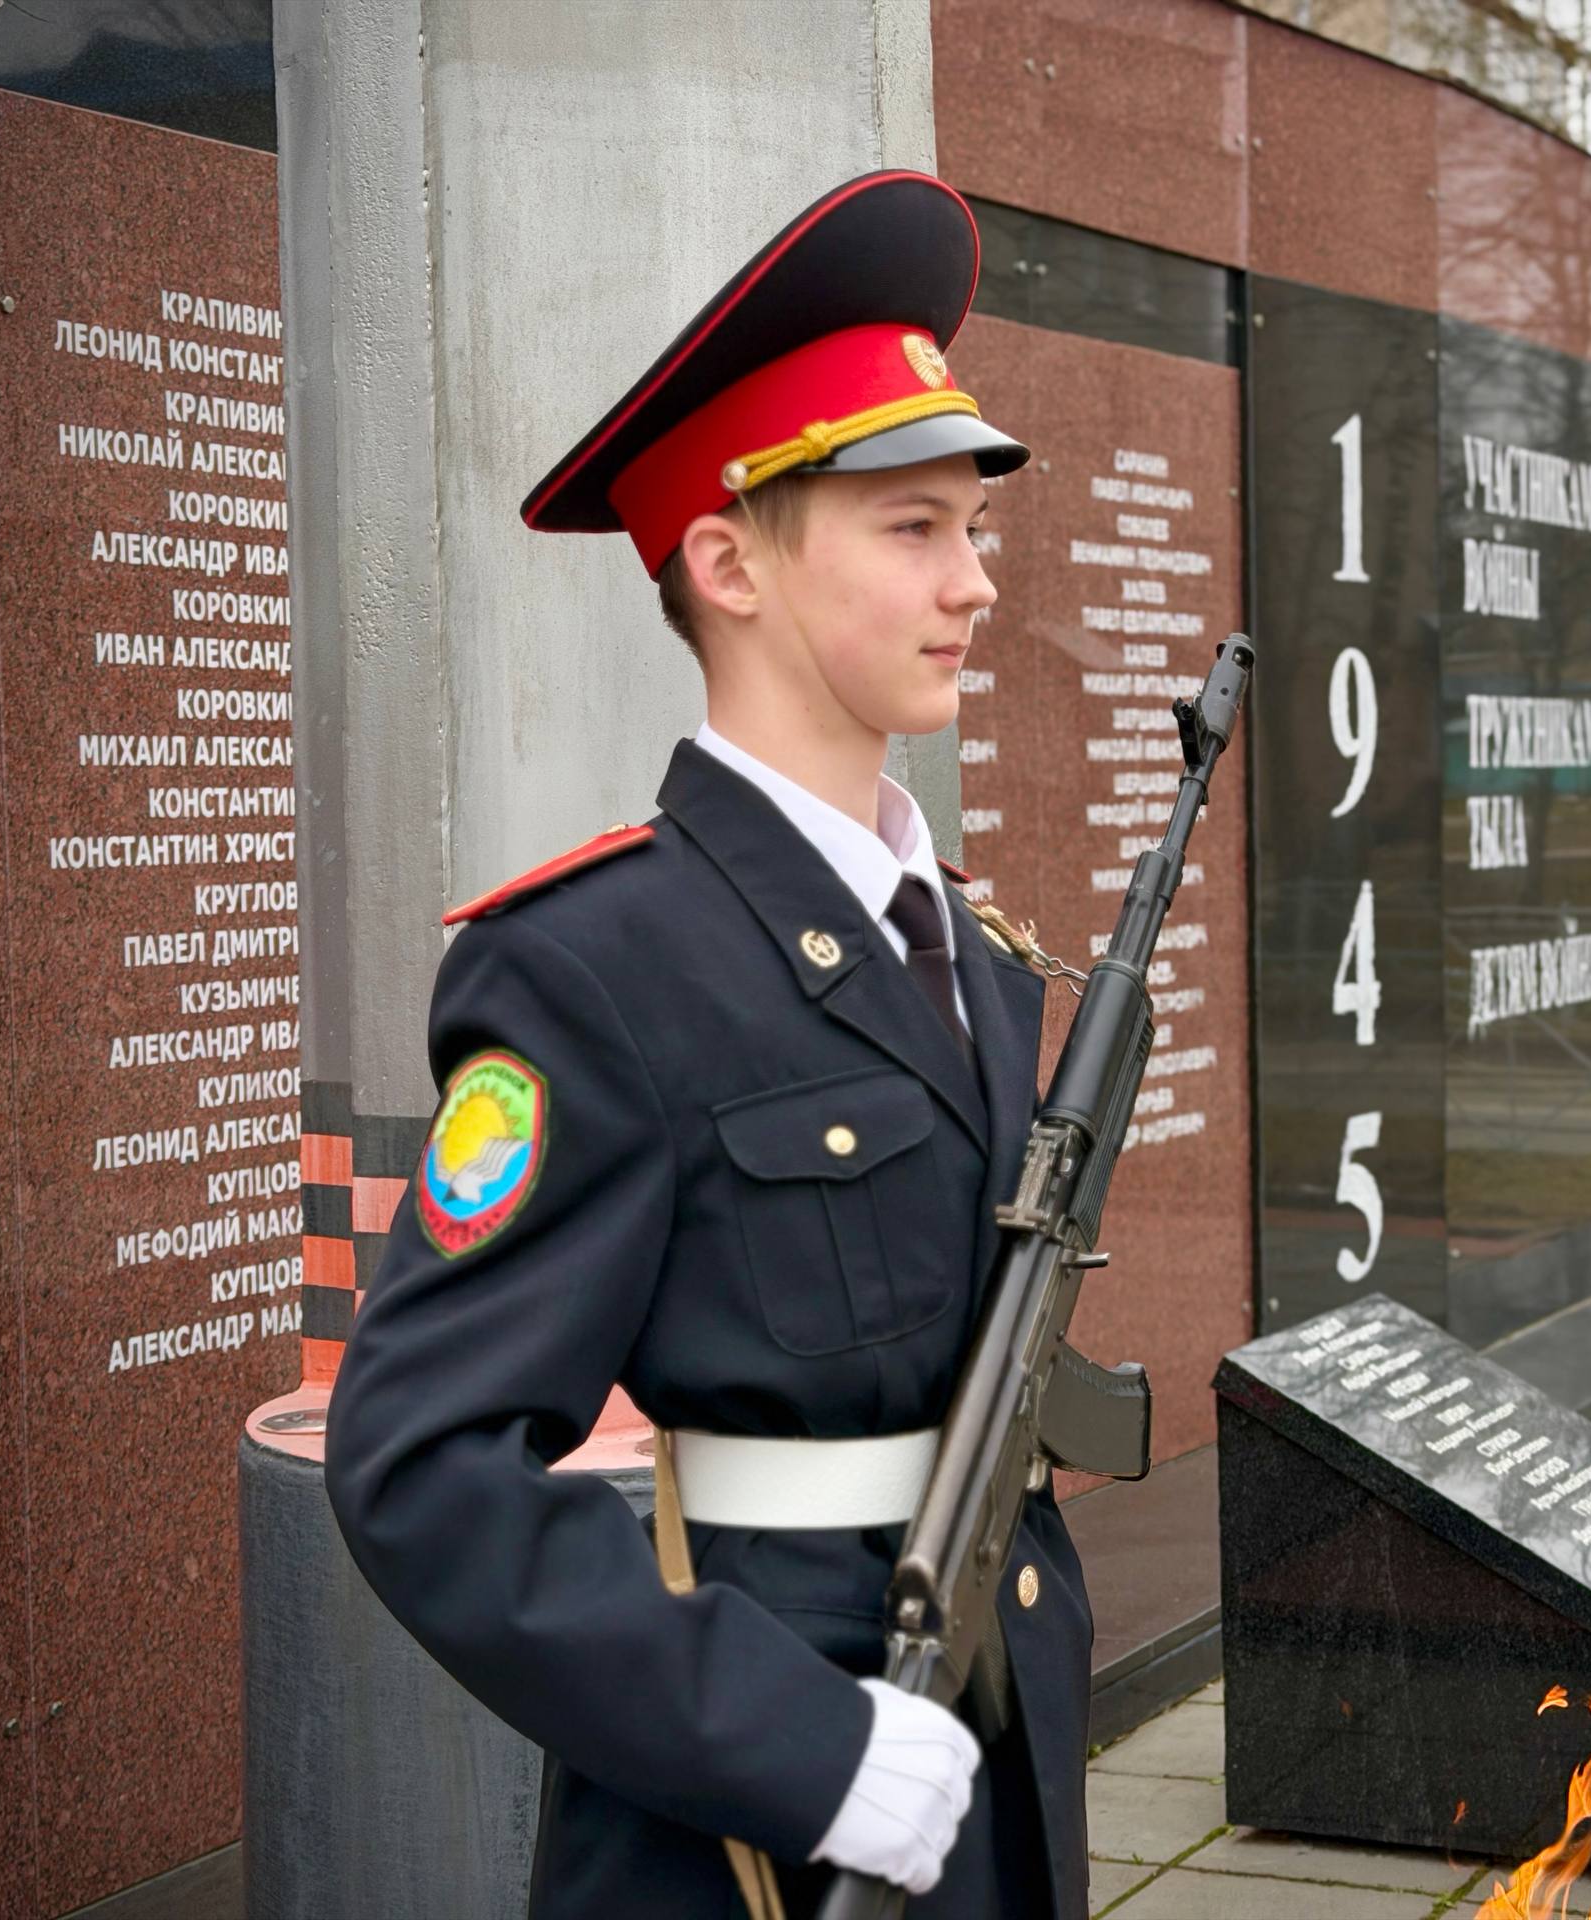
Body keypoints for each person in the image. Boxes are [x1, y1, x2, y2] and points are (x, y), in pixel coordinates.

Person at [324, 171, 1089, 1919]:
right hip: (757, 1796)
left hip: (1003, 1712)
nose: (975, 579)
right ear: (731, 560)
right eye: (914, 529)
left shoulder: (969, 943)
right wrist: (788, 1743)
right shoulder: (592, 968)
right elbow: (421, 1463)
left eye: (973, 525)